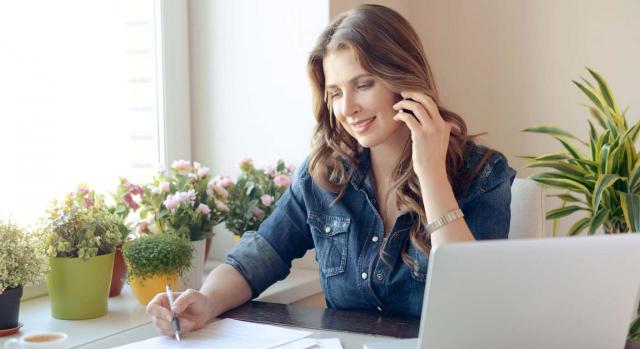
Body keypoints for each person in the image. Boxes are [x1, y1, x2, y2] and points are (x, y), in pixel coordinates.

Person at [147, 4, 516, 336]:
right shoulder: (325, 173)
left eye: (364, 84)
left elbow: (474, 301)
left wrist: (431, 172)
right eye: (336, 92)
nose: (348, 108)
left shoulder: (482, 174)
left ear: (404, 79)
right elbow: (261, 254)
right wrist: (206, 301)